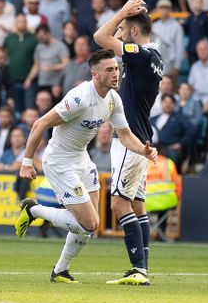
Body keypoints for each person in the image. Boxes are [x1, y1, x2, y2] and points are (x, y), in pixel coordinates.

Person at [14, 48, 157, 284]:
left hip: (81, 158)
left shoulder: (113, 99)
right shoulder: (79, 99)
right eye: (109, 70)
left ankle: (60, 270)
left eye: (117, 69)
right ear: (95, 74)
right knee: (87, 223)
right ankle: (33, 210)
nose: (116, 74)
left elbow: (125, 135)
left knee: (91, 226)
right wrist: (27, 162)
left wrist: (144, 149)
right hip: (60, 161)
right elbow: (40, 123)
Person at [93, 0, 162, 285]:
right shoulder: (155, 56)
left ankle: (138, 269)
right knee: (137, 205)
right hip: (139, 135)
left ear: (134, 33)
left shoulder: (142, 55)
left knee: (119, 204)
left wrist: (122, 12)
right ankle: (142, 267)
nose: (119, 34)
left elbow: (100, 38)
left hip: (131, 139)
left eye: (123, 30)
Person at [151, 93, 193, 167]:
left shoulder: (179, 118)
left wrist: (181, 144)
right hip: (154, 149)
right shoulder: (153, 119)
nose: (168, 104)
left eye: (170, 102)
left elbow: (191, 130)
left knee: (172, 155)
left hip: (170, 150)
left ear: (174, 105)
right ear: (161, 103)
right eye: (165, 102)